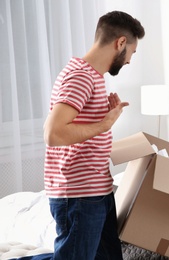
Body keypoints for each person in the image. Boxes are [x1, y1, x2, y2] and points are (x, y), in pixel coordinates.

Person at [43, 11, 145, 259]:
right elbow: (53, 134)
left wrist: (104, 121)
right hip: (80, 194)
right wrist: (104, 124)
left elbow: (77, 127)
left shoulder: (94, 77)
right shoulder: (81, 76)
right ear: (120, 43)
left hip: (97, 189)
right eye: (132, 51)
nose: (130, 60)